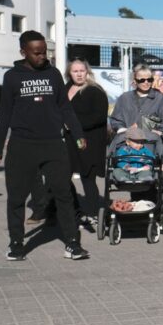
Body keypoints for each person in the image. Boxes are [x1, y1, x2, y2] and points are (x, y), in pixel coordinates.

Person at [0, 31, 89, 261]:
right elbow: (4, 112)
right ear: (23, 52)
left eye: (44, 52)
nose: (42, 56)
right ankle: (16, 244)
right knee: (17, 197)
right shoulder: (11, 77)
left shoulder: (53, 74)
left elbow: (65, 107)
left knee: (63, 194)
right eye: (37, 53)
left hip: (53, 144)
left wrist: (78, 134)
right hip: (22, 145)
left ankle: (72, 244)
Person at [109, 64, 163, 211]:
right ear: (134, 81)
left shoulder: (160, 99)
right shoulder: (124, 98)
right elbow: (115, 119)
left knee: (157, 177)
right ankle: (139, 210)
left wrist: (159, 130)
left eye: (149, 79)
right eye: (141, 80)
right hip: (129, 145)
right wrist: (125, 130)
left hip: (152, 144)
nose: (146, 82)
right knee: (134, 181)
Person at [64, 59, 108, 227]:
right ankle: (75, 211)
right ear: (69, 73)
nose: (79, 74)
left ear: (87, 72)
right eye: (75, 71)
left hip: (89, 142)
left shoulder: (95, 91)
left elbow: (99, 117)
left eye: (82, 70)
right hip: (67, 141)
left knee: (87, 178)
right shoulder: (65, 89)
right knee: (62, 177)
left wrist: (74, 124)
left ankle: (94, 214)